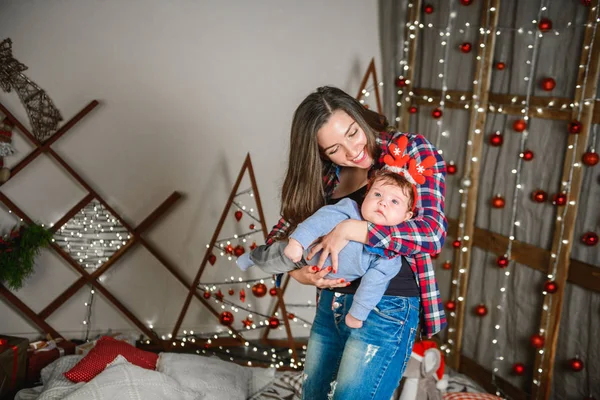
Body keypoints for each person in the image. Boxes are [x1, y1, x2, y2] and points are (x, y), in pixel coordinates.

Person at [266, 86, 447, 400]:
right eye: (333, 149)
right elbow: (278, 238)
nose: (351, 151)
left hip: (388, 305)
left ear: (359, 116)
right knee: (314, 396)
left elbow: (432, 232)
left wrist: (354, 229)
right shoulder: (323, 176)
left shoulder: (412, 150)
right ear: (320, 153)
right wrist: (296, 270)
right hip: (330, 305)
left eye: (352, 133)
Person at [237, 171, 416, 329]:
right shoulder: (348, 209)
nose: (383, 203)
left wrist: (358, 314)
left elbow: (373, 285)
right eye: (377, 194)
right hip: (302, 252)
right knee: (272, 259)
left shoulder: (389, 255)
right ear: (366, 196)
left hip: (329, 281)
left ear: (407, 217)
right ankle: (253, 257)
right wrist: (297, 242)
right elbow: (319, 221)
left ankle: (258, 257)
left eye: (394, 201)